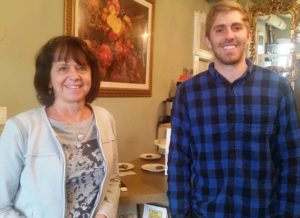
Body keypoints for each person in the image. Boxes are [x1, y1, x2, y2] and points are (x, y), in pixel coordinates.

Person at [167, 1, 300, 217]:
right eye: (220, 29)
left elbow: (292, 163)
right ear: (208, 40)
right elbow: (178, 164)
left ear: (249, 35)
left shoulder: (278, 88)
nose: (229, 35)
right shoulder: (188, 93)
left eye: (236, 27)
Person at [0, 36, 120, 218]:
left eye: (81, 67)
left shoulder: (105, 118)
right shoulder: (20, 129)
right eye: (63, 68)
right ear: (48, 79)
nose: (75, 76)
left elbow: (113, 180)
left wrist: (104, 214)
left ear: (91, 75)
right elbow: (2, 205)